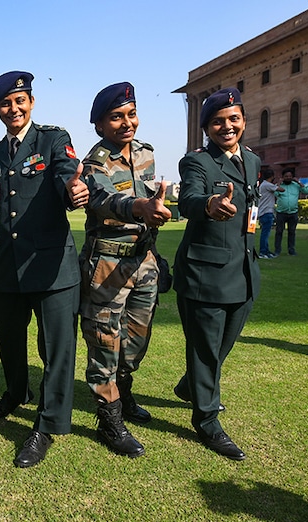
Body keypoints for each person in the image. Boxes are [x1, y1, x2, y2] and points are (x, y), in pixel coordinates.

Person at [0, 71, 88, 467]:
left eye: (20, 100)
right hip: (8, 264)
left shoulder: (52, 138)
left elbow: (67, 174)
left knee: (56, 349)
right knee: (7, 336)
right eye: (5, 104)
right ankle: (15, 393)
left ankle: (47, 424)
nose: (13, 109)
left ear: (31, 101)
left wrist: (73, 191)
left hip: (51, 265)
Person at [79, 82, 171, 458]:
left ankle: (124, 390)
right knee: (105, 342)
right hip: (107, 266)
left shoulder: (146, 154)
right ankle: (109, 418)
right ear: (100, 125)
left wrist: (159, 214)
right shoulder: (94, 162)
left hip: (144, 261)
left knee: (134, 343)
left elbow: (155, 200)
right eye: (116, 117)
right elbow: (103, 199)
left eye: (131, 114)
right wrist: (139, 208)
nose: (126, 122)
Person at [172, 87, 260, 461]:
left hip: (243, 271)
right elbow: (188, 200)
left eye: (233, 119)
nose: (227, 127)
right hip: (204, 273)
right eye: (218, 122)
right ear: (207, 128)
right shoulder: (197, 163)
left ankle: (192, 385)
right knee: (206, 351)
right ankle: (207, 420)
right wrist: (208, 203)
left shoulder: (252, 160)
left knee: (220, 346)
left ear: (243, 120)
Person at [274, 167, 308, 256]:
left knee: (292, 232)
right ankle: (277, 250)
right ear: (283, 177)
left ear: (293, 177)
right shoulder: (280, 186)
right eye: (286, 176)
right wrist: (278, 184)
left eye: (290, 176)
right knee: (279, 232)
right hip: (281, 212)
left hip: (293, 213)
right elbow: (274, 193)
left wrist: (298, 182)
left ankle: (291, 250)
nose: (288, 178)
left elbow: (307, 191)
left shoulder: (296, 185)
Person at [257, 168, 281, 259]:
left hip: (263, 212)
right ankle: (263, 252)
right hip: (266, 212)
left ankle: (266, 251)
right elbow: (281, 190)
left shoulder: (264, 185)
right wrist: (279, 183)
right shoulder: (267, 185)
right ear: (272, 176)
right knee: (265, 234)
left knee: (266, 233)